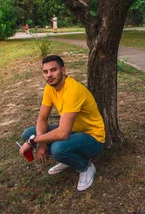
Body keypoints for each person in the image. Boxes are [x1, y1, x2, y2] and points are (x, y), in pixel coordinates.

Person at [19, 55, 105, 191]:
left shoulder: (73, 89)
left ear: (63, 71)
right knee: (28, 133)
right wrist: (39, 142)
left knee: (57, 149)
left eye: (53, 70)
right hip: (73, 131)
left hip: (93, 137)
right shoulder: (50, 88)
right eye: (45, 72)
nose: (49, 75)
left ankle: (85, 167)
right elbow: (42, 118)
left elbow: (63, 133)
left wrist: (32, 142)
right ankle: (68, 159)